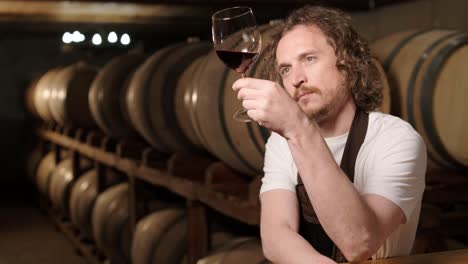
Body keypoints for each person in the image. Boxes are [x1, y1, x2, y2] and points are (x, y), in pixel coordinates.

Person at [232, 5, 427, 263]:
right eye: (286, 69)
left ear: (347, 63)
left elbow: (359, 242)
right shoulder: (281, 142)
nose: (295, 79)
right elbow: (276, 236)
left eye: (309, 59)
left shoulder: (395, 139)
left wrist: (297, 127)